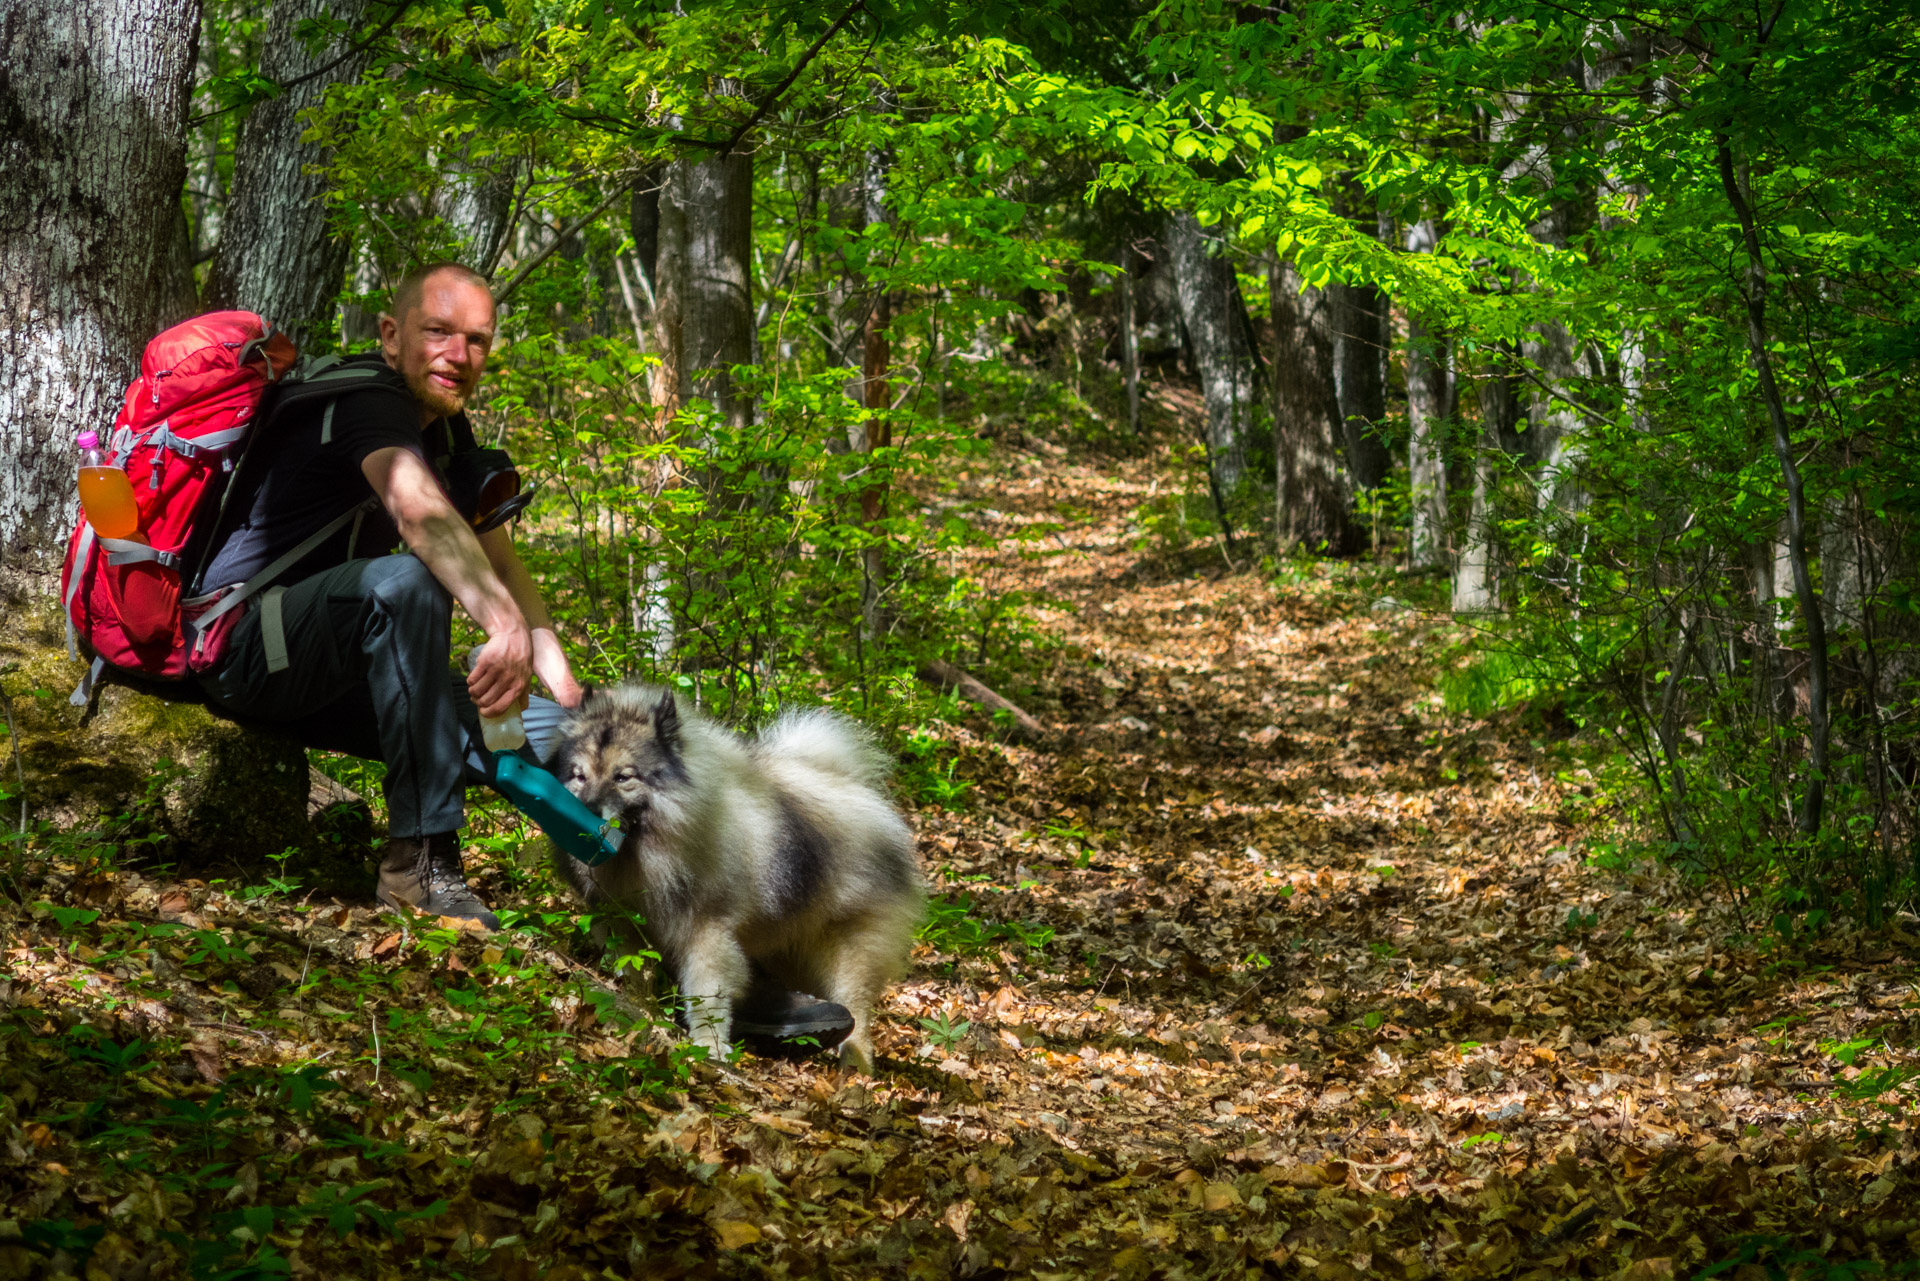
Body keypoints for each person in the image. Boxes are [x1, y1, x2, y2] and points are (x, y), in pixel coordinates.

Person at [193, 262, 852, 1051]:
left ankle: (699, 956)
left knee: (574, 745)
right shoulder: (365, 402)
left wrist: (564, 690)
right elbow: (420, 515)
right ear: (391, 335)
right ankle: (420, 864)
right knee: (408, 583)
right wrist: (498, 626)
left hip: (351, 664)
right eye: (438, 332)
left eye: (476, 340)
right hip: (249, 652)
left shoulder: (448, 433)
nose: (458, 353)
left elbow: (502, 564)